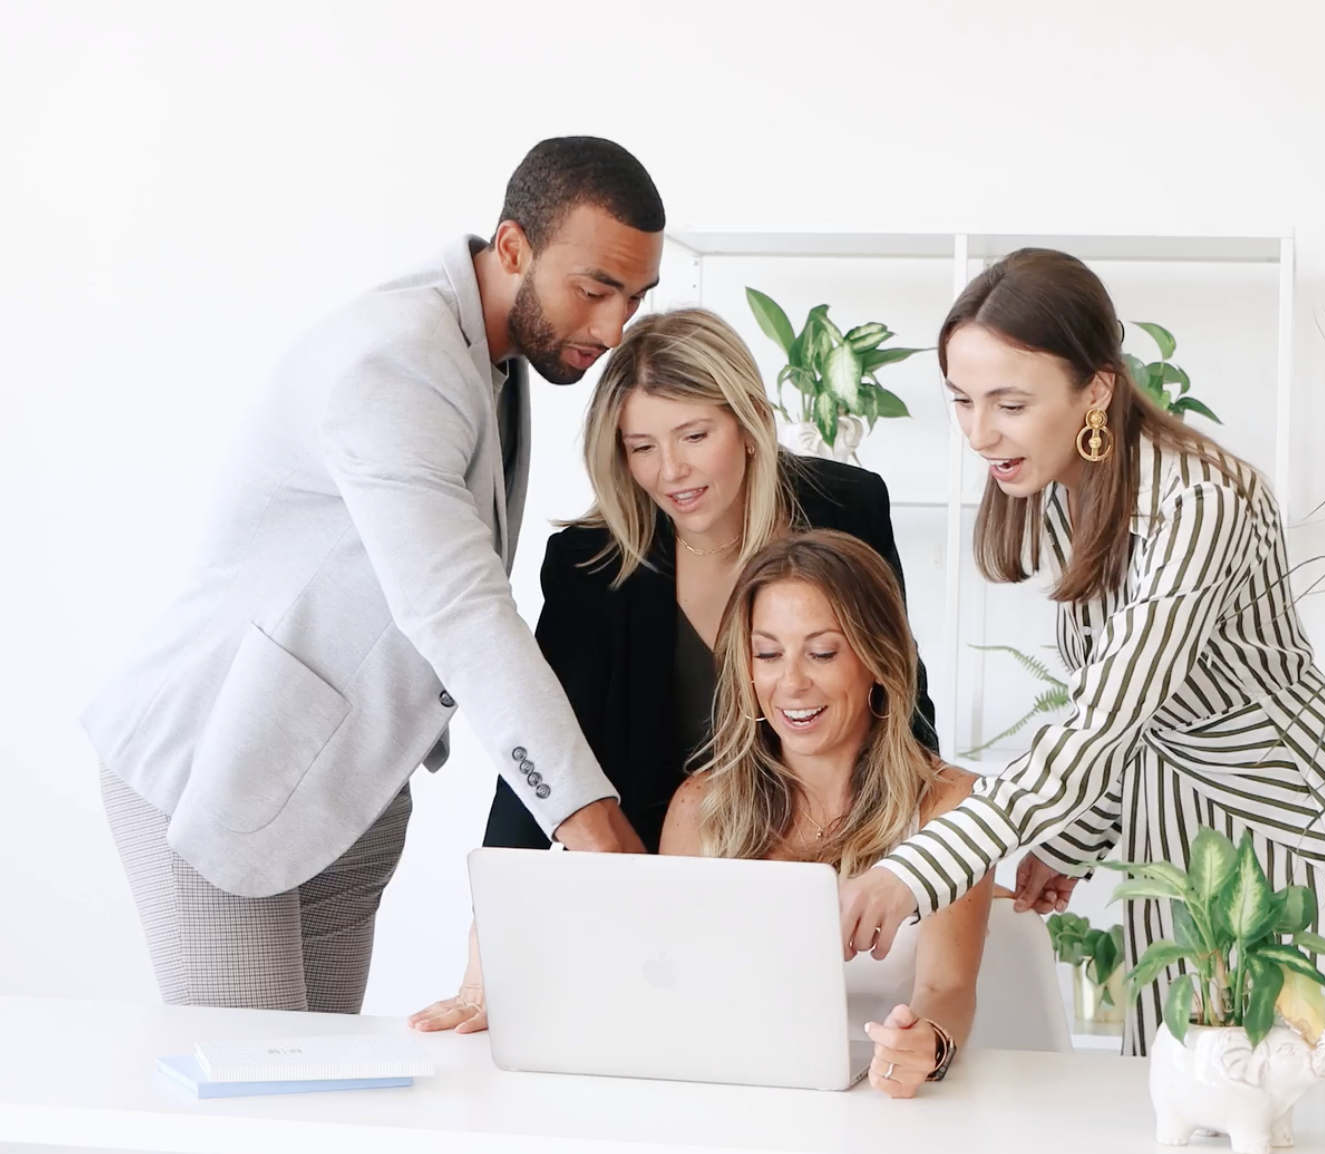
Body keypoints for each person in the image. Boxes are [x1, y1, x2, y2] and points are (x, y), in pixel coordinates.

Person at [832, 249, 1325, 1149]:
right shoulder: (1063, 491)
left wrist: (917, 868)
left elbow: (1104, 720)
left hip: (1315, 849)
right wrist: (1076, 838)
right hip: (1186, 850)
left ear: (1096, 390)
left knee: (1315, 1121)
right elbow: (1127, 698)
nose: (980, 433)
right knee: (1187, 1114)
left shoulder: (1201, 502)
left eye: (1009, 403)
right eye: (961, 400)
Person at [81, 136, 665, 1013]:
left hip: (340, 793)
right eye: (594, 289)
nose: (613, 328)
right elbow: (459, 604)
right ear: (513, 249)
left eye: (636, 297)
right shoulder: (400, 357)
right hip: (220, 770)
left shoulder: (491, 354)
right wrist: (588, 823)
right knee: (254, 1116)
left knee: (317, 1107)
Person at [409, 307, 936, 1032]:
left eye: (695, 436)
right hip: (667, 891)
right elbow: (542, 748)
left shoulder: (844, 506)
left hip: (829, 879)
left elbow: (900, 696)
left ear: (749, 422)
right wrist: (486, 951)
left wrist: (938, 856)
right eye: (642, 446)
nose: (671, 471)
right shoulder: (589, 566)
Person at [663, 531, 989, 1100]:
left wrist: (926, 1044)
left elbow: (947, 986)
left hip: (889, 1106)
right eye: (767, 654)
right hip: (736, 1099)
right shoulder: (700, 807)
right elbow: (669, 981)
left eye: (822, 652)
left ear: (879, 659)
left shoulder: (949, 805)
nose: (790, 682)